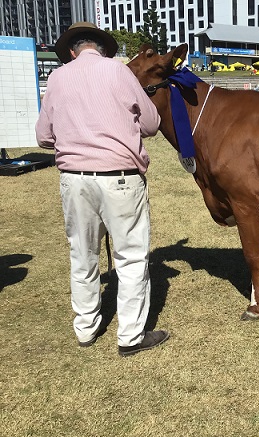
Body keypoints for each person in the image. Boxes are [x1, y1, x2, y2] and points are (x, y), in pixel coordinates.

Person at [35, 22, 169, 357]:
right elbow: (152, 122)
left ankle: (86, 328)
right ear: (103, 48)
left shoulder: (56, 78)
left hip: (74, 178)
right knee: (131, 256)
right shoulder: (119, 72)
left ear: (71, 50)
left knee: (82, 255)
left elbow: (43, 136)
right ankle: (131, 336)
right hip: (120, 176)